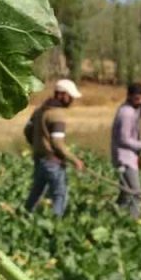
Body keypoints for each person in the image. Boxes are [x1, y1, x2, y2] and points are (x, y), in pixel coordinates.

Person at [22, 79, 85, 217]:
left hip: (39, 160)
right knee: (59, 194)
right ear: (62, 95)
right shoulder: (57, 114)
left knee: (36, 192)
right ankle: (55, 225)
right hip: (52, 162)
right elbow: (57, 143)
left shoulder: (39, 110)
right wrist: (75, 160)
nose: (72, 100)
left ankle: (24, 216)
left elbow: (27, 131)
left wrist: (39, 146)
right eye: (70, 97)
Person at [111, 82, 141, 217]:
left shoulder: (133, 109)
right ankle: (133, 222)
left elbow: (135, 122)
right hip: (124, 158)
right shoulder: (125, 113)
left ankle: (112, 216)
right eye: (137, 99)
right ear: (129, 96)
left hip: (131, 156)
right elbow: (124, 139)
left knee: (125, 192)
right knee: (136, 193)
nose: (139, 101)